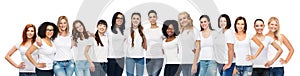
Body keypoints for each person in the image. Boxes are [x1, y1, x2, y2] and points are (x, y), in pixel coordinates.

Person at [177, 11, 201, 76]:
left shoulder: (195, 31)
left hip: (192, 62)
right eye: (180, 19)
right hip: (183, 62)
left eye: (184, 18)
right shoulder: (181, 32)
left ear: (189, 19)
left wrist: (194, 63)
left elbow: (198, 48)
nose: (183, 20)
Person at [144, 10, 164, 76]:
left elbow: (166, 41)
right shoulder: (146, 31)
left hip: (159, 57)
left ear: (156, 17)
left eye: (154, 17)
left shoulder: (161, 30)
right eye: (150, 17)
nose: (152, 19)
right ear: (148, 19)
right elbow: (145, 45)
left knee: (154, 75)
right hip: (148, 58)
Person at [107, 12, 127, 76]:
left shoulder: (124, 31)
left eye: (121, 18)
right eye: (118, 18)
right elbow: (99, 36)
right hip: (111, 58)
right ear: (114, 19)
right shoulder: (109, 30)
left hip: (121, 58)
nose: (120, 19)